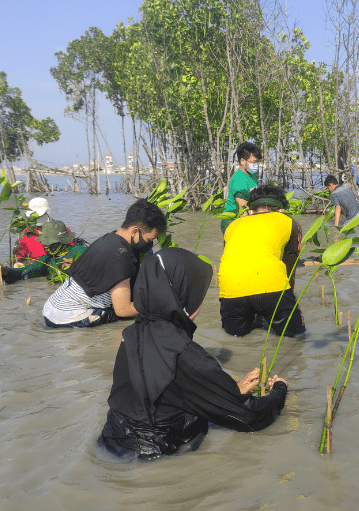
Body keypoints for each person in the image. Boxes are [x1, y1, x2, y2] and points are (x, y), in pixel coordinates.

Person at [99, 248, 288, 460]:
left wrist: (229, 392)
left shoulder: (133, 333)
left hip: (112, 440)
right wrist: (279, 392)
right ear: (183, 298)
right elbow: (249, 417)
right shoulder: (186, 355)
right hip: (155, 455)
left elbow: (161, 393)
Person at [42, 198, 166, 328]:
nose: (150, 244)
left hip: (51, 307)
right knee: (128, 320)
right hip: (64, 317)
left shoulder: (110, 239)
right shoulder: (122, 258)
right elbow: (123, 311)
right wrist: (158, 306)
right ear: (135, 231)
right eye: (150, 239)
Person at [218, 184, 305, 337]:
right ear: (281, 210)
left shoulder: (232, 225)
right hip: (272, 288)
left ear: (250, 211)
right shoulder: (289, 222)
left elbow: (228, 257)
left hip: (230, 292)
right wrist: (288, 297)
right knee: (295, 338)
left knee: (236, 340)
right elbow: (290, 265)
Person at [0, 221, 88, 284]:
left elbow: (99, 267)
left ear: (61, 241)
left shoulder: (80, 251)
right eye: (44, 243)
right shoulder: (47, 260)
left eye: (49, 243)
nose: (45, 246)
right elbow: (22, 273)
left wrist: (78, 266)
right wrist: (4, 270)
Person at [221, 142, 261, 233]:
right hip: (232, 221)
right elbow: (242, 210)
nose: (256, 165)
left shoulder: (252, 175)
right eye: (253, 162)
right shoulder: (239, 180)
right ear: (243, 161)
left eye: (257, 162)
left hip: (246, 218)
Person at [14, 197, 51, 264]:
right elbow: (19, 259)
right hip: (35, 269)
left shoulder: (59, 229)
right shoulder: (25, 234)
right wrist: (29, 263)